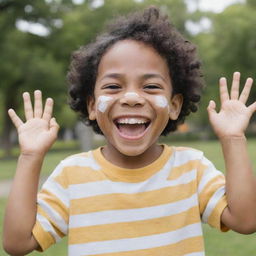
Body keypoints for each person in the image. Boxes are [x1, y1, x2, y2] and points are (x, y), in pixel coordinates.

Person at [3, 6, 256, 256]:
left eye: (151, 86)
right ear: (92, 105)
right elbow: (18, 243)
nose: (132, 97)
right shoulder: (72, 176)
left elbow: (245, 221)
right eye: (113, 86)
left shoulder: (192, 169)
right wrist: (30, 157)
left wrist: (233, 139)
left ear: (174, 105)